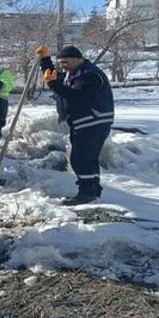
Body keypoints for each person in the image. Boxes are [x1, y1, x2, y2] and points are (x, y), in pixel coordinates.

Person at [37, 45, 115, 205]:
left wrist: (52, 84)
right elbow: (53, 76)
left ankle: (87, 193)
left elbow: (75, 95)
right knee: (86, 158)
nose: (63, 66)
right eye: (60, 63)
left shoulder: (91, 75)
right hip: (82, 122)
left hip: (93, 121)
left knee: (81, 159)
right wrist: (45, 60)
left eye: (65, 62)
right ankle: (92, 190)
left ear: (79, 59)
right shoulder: (72, 73)